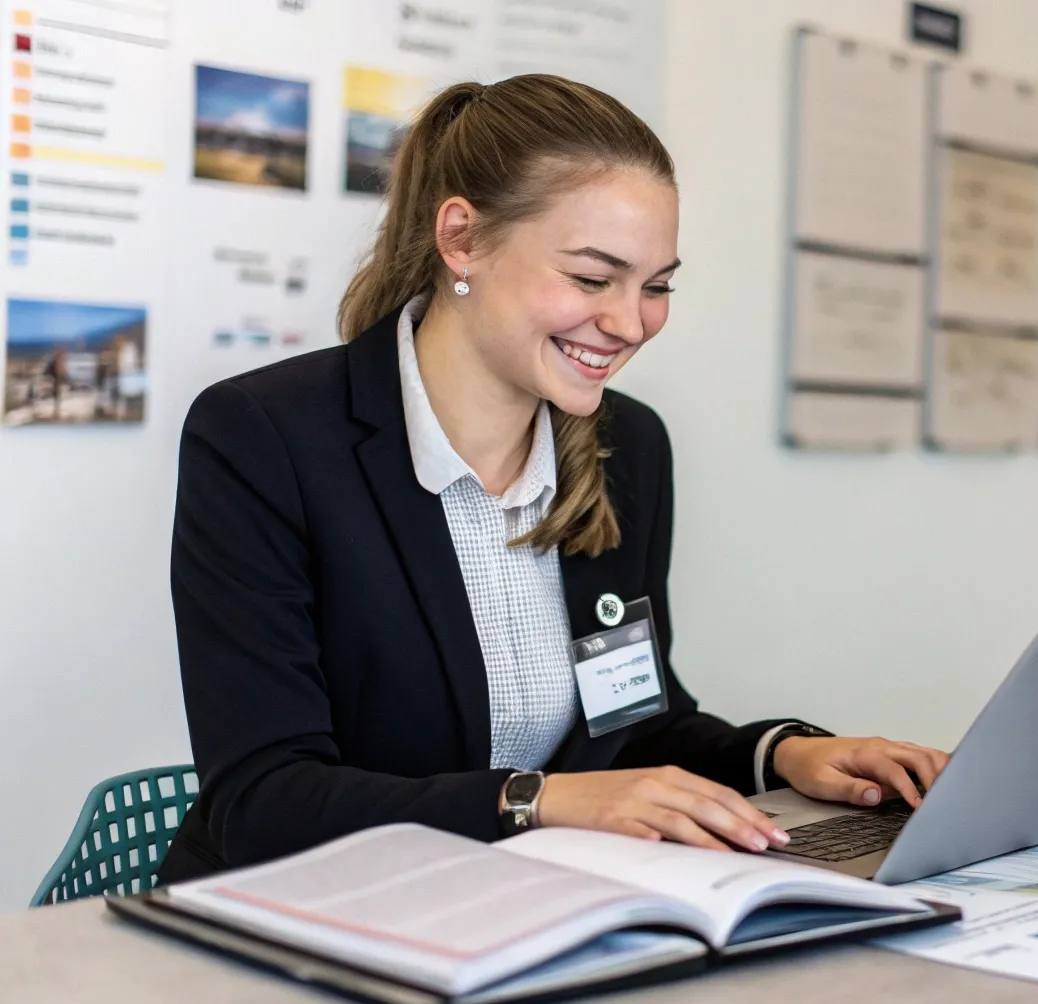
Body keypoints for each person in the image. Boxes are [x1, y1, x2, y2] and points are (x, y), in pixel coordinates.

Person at [160, 75, 949, 883]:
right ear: (461, 238)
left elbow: (631, 728)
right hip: (302, 916)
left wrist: (783, 754)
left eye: (657, 285)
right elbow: (264, 802)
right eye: (591, 277)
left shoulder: (628, 446)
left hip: (520, 904)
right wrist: (540, 800)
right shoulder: (264, 437)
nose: (630, 322)